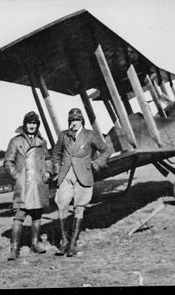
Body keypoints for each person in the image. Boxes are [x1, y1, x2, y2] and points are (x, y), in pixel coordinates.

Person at [52, 108, 111, 257]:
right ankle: (64, 241)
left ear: (82, 121)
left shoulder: (90, 135)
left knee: (79, 208)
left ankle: (73, 244)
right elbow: (56, 154)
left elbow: (106, 151)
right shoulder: (63, 136)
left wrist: (97, 164)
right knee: (62, 205)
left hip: (83, 176)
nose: (74, 123)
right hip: (66, 175)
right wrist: (57, 169)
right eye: (71, 120)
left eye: (77, 120)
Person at [4, 111, 52, 261]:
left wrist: (48, 173)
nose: (31, 126)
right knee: (19, 216)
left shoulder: (41, 142)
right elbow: (8, 162)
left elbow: (48, 159)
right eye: (29, 123)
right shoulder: (15, 141)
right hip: (24, 184)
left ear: (37, 125)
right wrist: (18, 177)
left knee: (37, 215)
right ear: (24, 124)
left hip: (38, 184)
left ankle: (35, 244)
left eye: (34, 123)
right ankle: (15, 248)